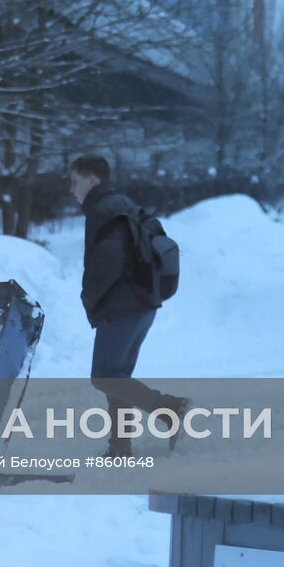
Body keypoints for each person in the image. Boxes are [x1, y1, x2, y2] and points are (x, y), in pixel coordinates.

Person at [71, 155, 187, 456]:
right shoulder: (121, 204)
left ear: (92, 180)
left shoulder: (101, 210)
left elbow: (109, 260)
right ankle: (119, 446)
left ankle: (170, 409)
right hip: (142, 302)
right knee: (116, 376)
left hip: (123, 305)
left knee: (104, 376)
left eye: (75, 182)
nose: (72, 190)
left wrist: (90, 296)